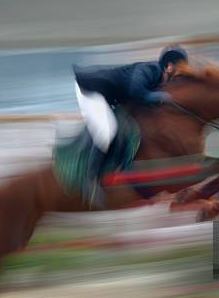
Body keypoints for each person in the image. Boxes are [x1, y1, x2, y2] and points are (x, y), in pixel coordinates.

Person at [72, 44, 189, 209]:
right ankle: (89, 181)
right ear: (169, 66)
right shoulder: (151, 69)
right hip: (90, 91)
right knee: (107, 131)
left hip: (106, 95)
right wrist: (159, 96)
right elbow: (136, 90)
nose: (179, 75)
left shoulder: (157, 79)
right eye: (179, 69)